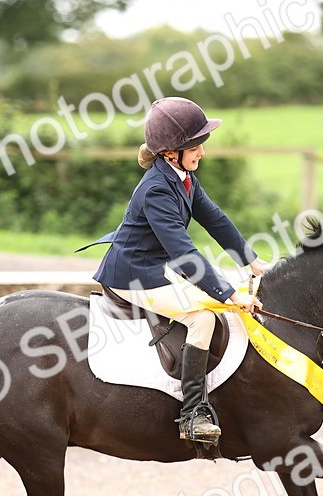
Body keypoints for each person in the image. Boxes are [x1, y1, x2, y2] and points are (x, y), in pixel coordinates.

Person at [81, 97, 269, 443]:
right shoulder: (156, 188)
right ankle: (192, 414)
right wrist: (228, 294)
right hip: (133, 275)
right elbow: (183, 251)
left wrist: (251, 261)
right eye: (195, 146)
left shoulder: (182, 177)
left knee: (214, 302)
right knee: (204, 318)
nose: (202, 153)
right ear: (171, 152)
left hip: (156, 266)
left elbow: (215, 218)